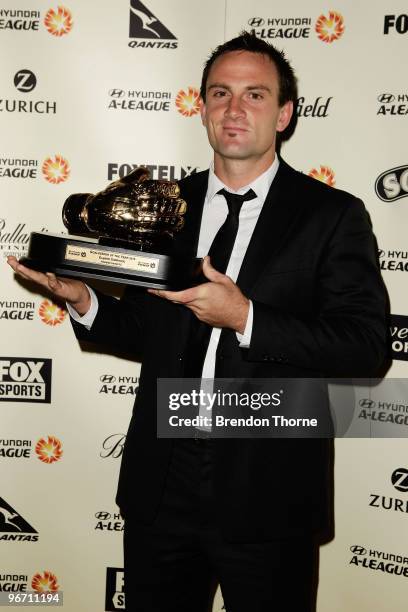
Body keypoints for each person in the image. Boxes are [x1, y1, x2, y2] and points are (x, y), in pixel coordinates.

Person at [8, 32, 386, 612]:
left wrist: (246, 317)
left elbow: (365, 346)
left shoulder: (332, 216)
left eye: (255, 95)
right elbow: (143, 328)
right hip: (162, 482)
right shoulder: (168, 205)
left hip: (269, 487)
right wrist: (82, 299)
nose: (235, 110)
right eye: (220, 93)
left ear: (284, 114)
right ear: (202, 107)